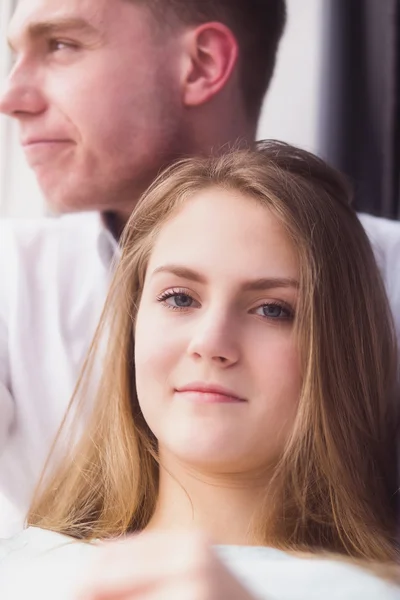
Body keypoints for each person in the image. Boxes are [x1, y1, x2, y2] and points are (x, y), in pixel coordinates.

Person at [0, 0, 399, 540]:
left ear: (203, 64)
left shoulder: (388, 276)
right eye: (178, 298)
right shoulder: (13, 275)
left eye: (62, 45)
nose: (11, 99)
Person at [1, 142, 399, 599]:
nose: (210, 343)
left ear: (339, 348)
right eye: (179, 298)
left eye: (272, 309)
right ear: (133, 324)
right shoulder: (16, 571)